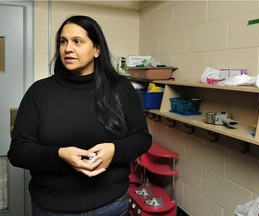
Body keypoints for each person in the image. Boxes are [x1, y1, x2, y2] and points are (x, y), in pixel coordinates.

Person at [8, 15, 152, 216]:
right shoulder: (39, 92)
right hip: (52, 209)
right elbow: (18, 152)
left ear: (96, 49)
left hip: (110, 206)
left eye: (77, 41)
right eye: (63, 41)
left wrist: (115, 150)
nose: (68, 48)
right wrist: (60, 155)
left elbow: (142, 139)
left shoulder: (121, 89)